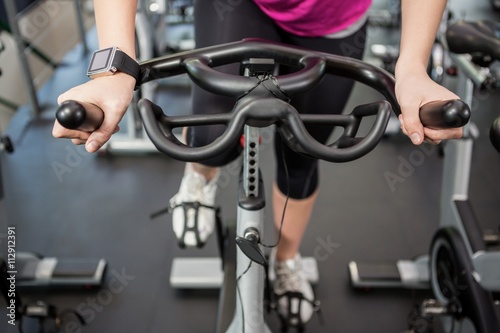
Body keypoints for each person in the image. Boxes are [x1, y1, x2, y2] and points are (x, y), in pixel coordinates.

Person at [52, 0, 463, 329]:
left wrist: (411, 67)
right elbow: (117, 60)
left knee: (304, 152)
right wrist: (114, 65)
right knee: (212, 137)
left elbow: (409, 62)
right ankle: (199, 176)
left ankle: (286, 260)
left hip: (334, 18)